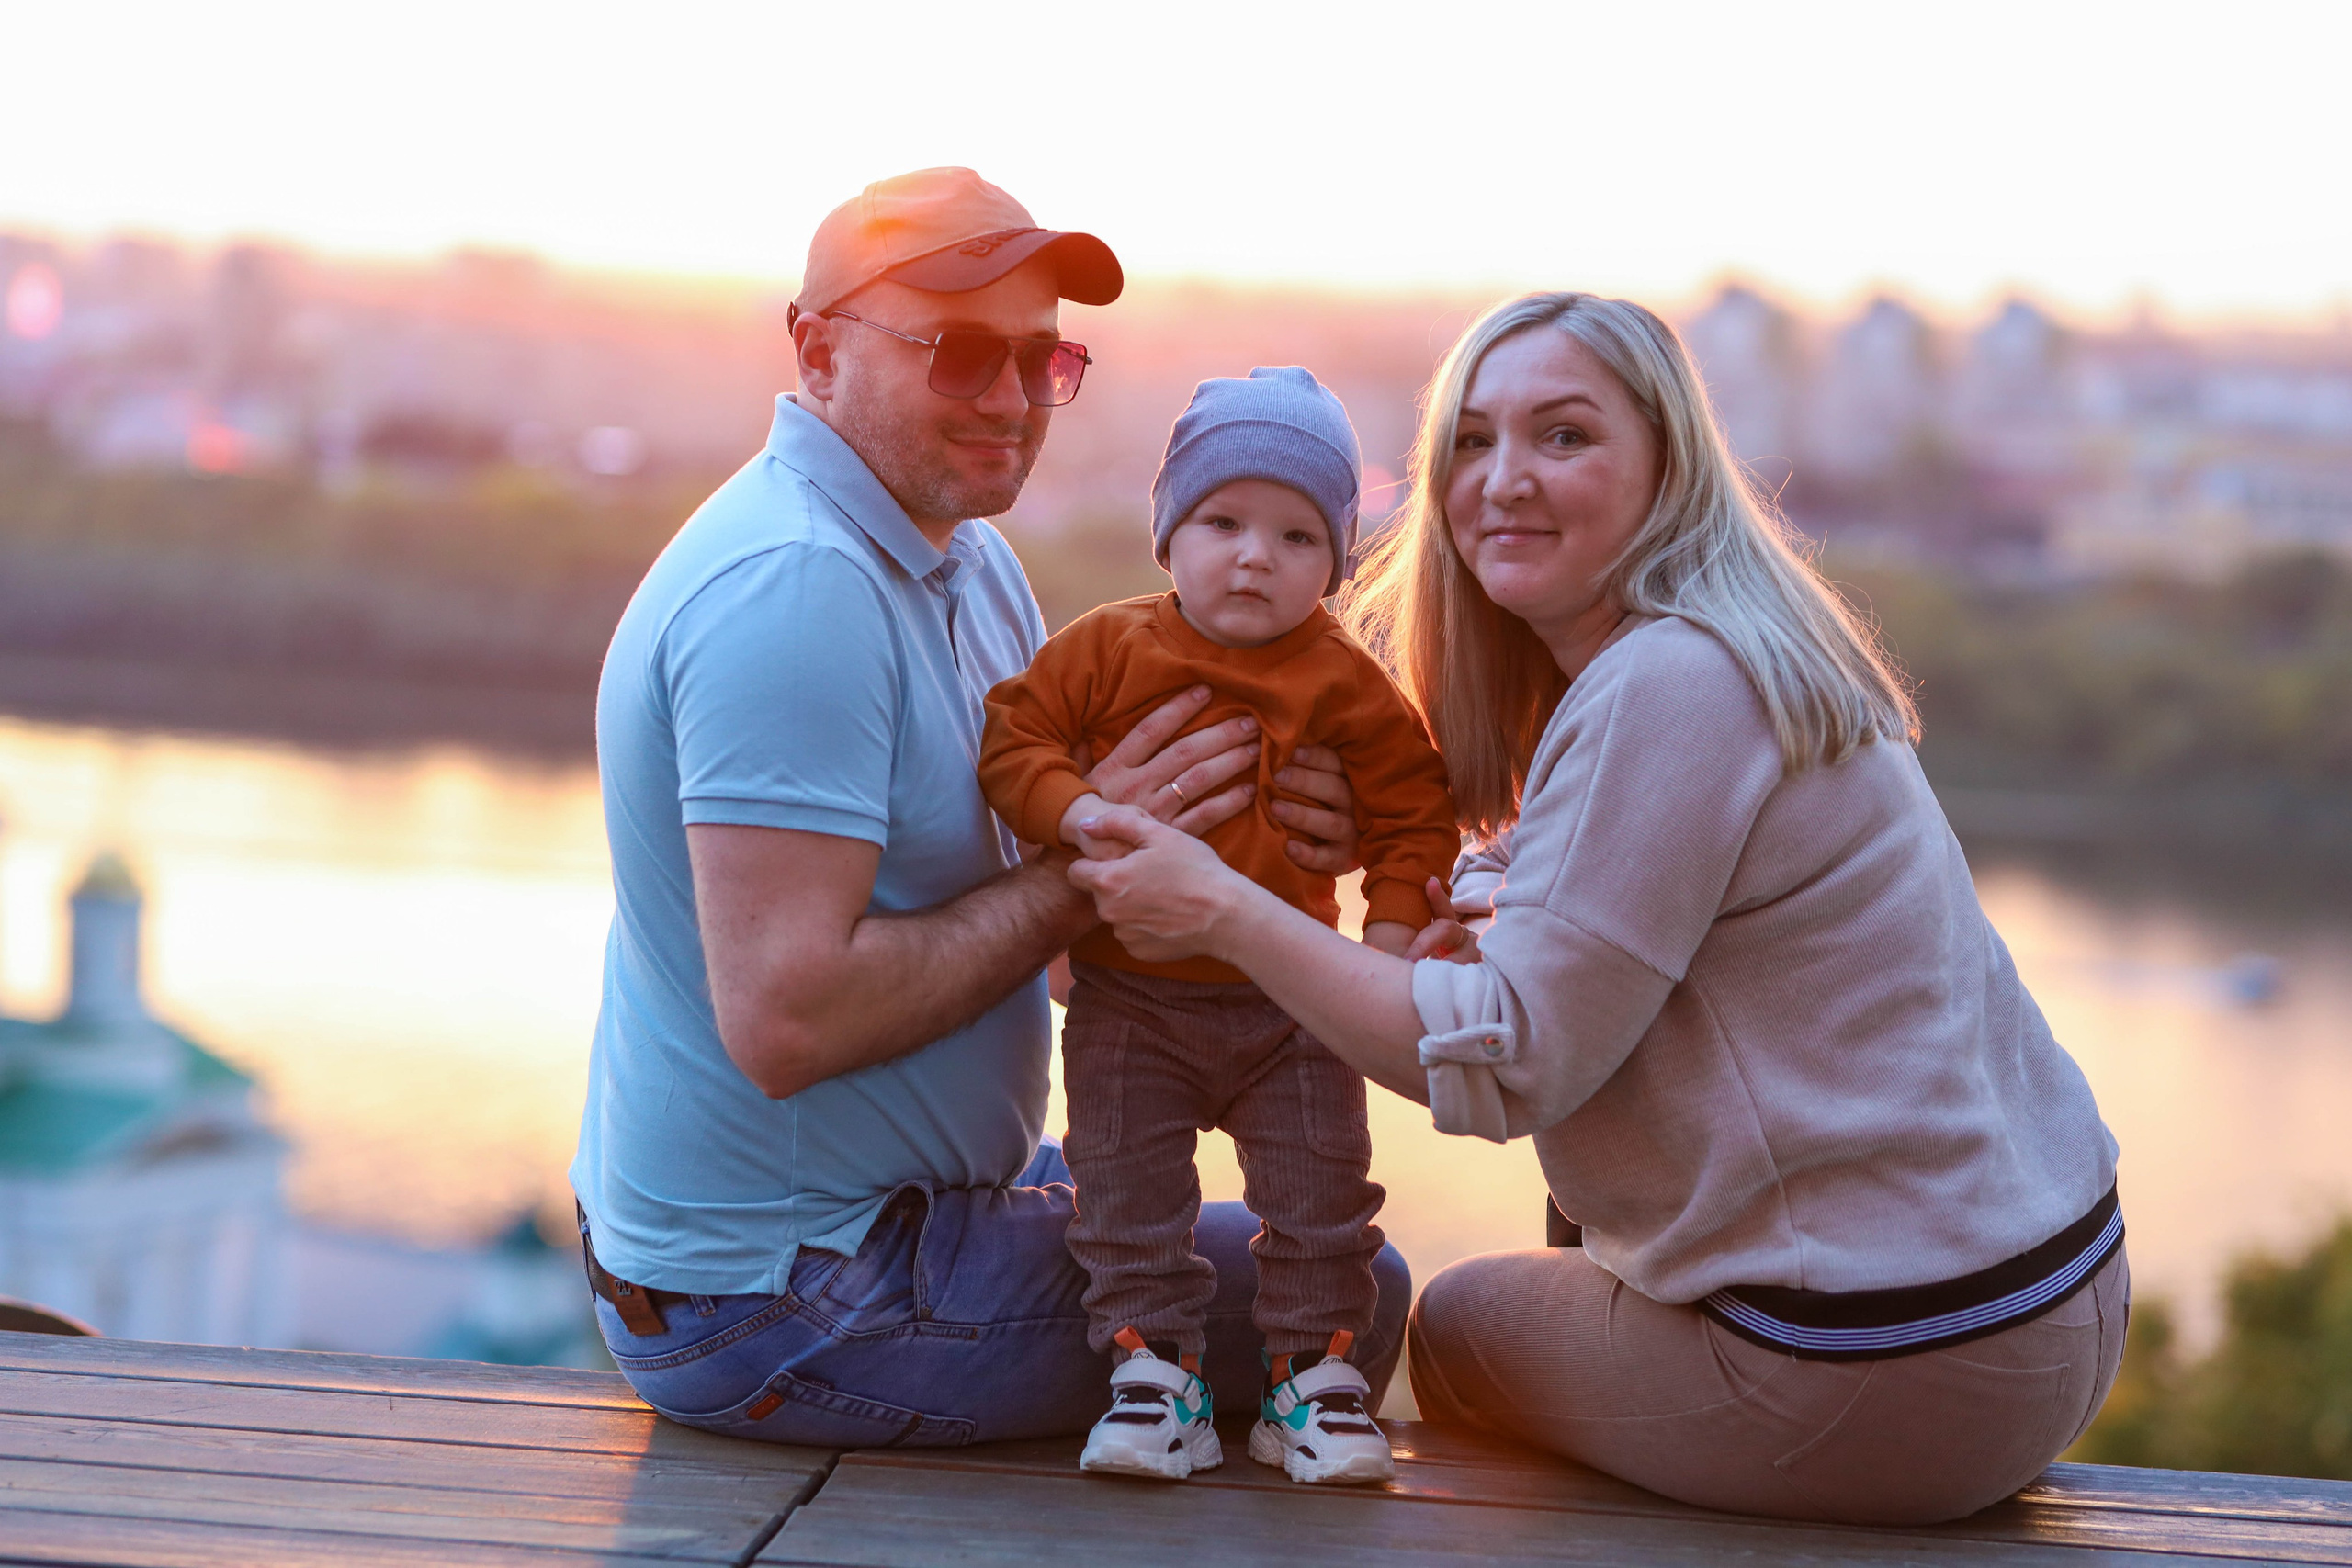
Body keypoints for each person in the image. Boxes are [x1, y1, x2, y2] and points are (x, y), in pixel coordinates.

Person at [1062, 290, 2126, 1526]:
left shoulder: (1670, 683)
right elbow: (1587, 904)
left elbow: (1507, 1066)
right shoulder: (1732, 647)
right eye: (1472, 440)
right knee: (1563, 1281)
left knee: (1450, 1324)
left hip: (1881, 1368)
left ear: (1667, 466)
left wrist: (1225, 907)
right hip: (2047, 1309)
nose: (1504, 478)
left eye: (1563, 436)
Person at [568, 168, 1412, 1447]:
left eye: (1041, 359)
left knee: (1300, 1214)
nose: (1012, 402)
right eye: (960, 353)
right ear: (816, 348)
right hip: (788, 1295)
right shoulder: (796, 588)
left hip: (902, 1221)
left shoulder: (963, 561)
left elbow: (1072, 953)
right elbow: (788, 1017)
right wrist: (1102, 856)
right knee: (1356, 1294)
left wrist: (1258, 850)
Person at [978, 367, 1460, 1483]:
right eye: (1222, 521)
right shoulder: (1106, 648)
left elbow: (1414, 817)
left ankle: (1311, 1383)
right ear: (1169, 534)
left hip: (1290, 1006)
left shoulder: (1345, 682)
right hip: (1127, 1002)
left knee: (1320, 1201)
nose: (1254, 555)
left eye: (1298, 537)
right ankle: (1157, 1382)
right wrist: (1083, 810)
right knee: (1126, 1202)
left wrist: (1382, 947)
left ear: (1336, 562)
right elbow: (1012, 745)